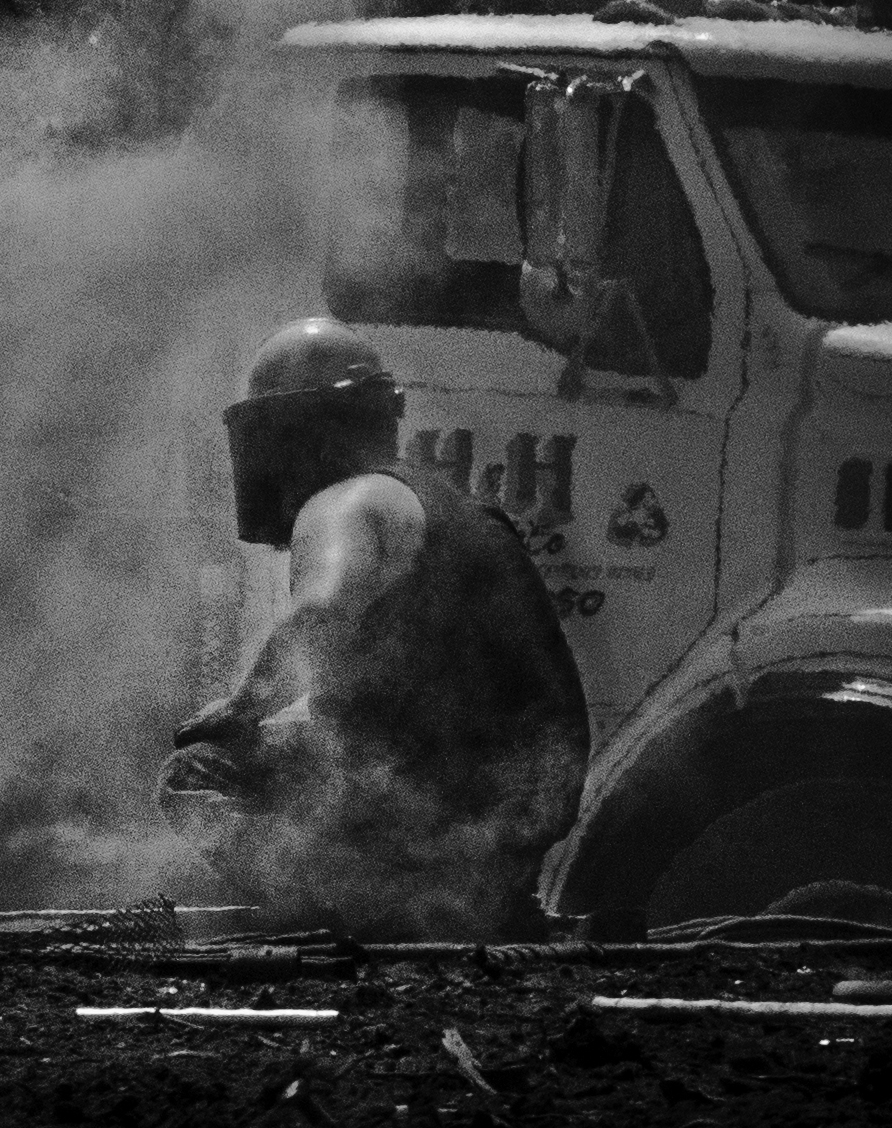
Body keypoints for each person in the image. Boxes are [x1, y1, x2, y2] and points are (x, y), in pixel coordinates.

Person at [159, 317, 591, 940]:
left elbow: (321, 611)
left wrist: (242, 707)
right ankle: (443, 903)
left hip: (436, 823)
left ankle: (363, 908)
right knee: (314, 739)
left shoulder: (345, 502)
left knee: (196, 775)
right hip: (507, 829)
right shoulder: (442, 505)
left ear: (290, 433)